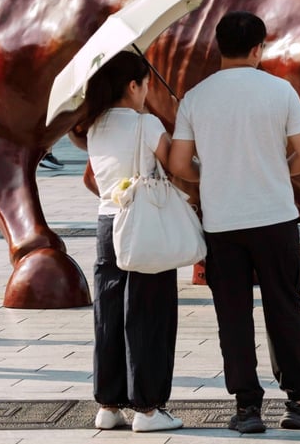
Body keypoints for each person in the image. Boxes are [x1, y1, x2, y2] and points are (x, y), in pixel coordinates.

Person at [168, 11, 300, 434]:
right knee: (284, 309)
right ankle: (299, 401)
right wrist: (277, 169)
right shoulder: (280, 91)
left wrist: (216, 173)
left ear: (219, 46)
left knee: (232, 315)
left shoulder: (196, 98)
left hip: (222, 222)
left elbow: (180, 164)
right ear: (259, 48)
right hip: (275, 217)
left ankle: (246, 408)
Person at [77, 51, 184, 432]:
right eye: (146, 84)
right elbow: (178, 165)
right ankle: (149, 409)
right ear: (133, 85)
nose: (147, 91)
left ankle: (108, 405)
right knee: (148, 313)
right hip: (143, 225)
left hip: (107, 224)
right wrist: (185, 123)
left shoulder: (95, 126)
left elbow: (92, 179)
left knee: (108, 313)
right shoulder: (147, 125)